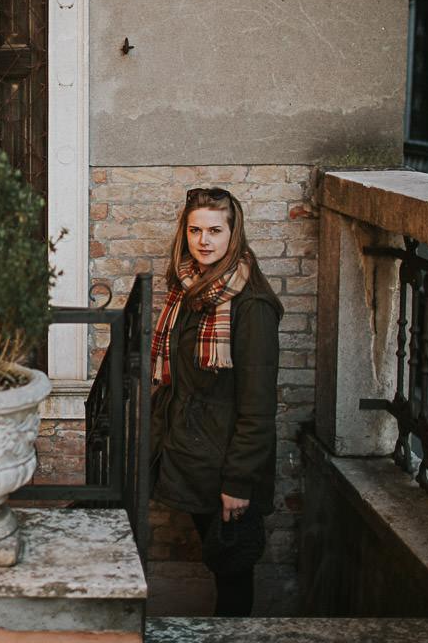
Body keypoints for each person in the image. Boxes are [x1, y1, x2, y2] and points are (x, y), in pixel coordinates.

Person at [149, 186, 283, 617]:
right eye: (194, 230)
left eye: (214, 230)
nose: (203, 240)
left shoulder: (251, 305)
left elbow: (258, 405)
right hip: (193, 454)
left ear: (233, 234)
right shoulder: (191, 290)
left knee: (232, 572)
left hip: (226, 464)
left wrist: (238, 484)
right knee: (223, 564)